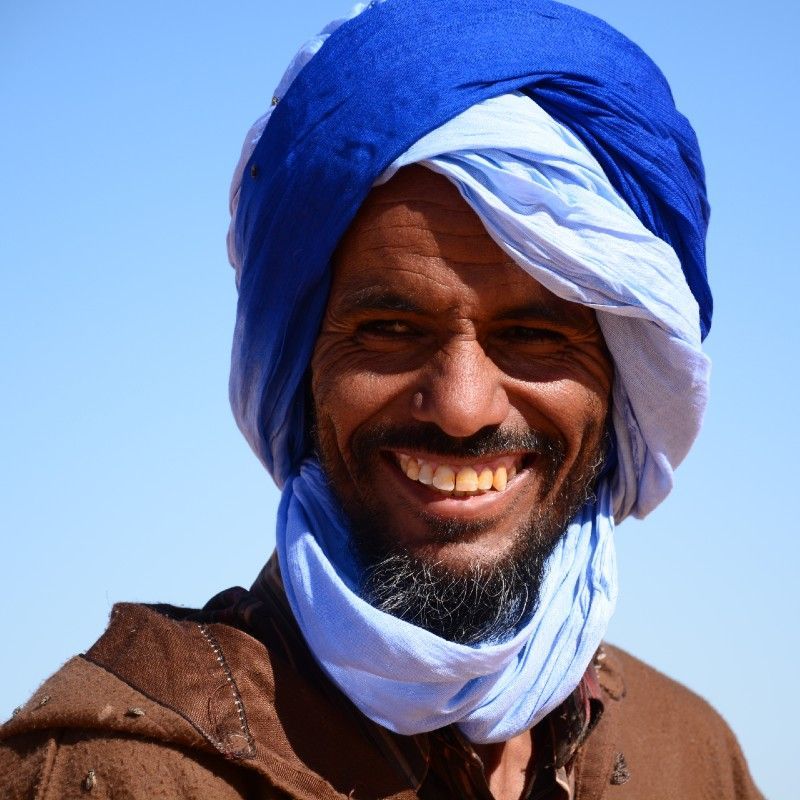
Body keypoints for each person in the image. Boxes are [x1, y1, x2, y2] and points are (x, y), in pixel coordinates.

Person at [0, 1, 763, 798]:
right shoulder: (124, 774)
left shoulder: (689, 758)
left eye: (536, 336)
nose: (463, 408)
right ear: (300, 367)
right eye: (392, 327)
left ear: (623, 380)